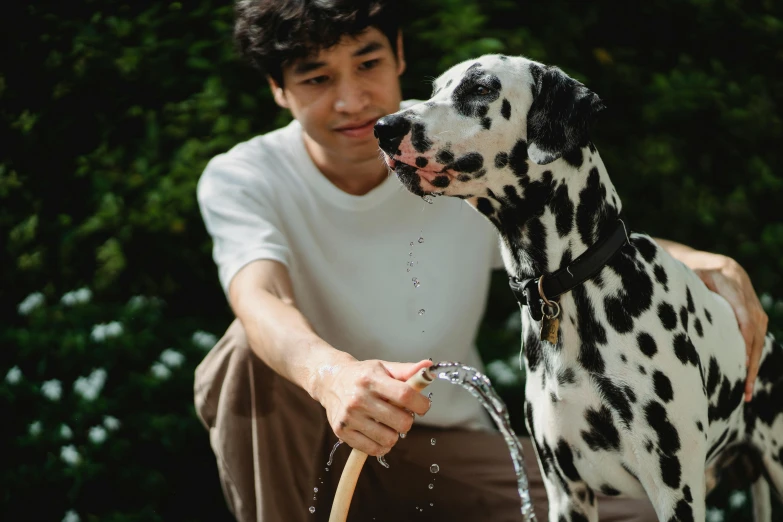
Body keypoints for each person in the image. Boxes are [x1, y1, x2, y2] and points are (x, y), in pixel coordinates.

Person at [194, 1, 769, 521]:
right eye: (317, 78)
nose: (352, 100)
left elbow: (579, 236)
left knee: (637, 509)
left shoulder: (451, 160)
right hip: (301, 441)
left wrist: (699, 260)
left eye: (367, 63)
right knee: (242, 356)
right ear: (277, 88)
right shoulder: (246, 176)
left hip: (442, 446)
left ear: (398, 55)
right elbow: (259, 297)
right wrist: (333, 377)